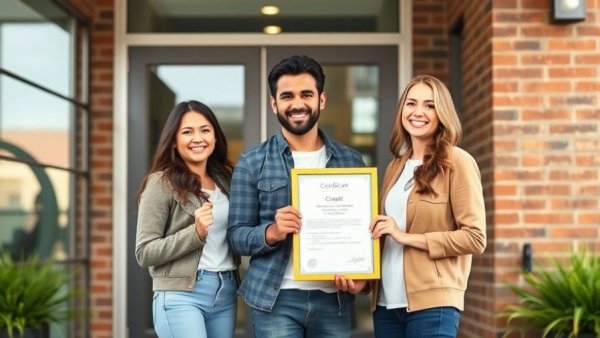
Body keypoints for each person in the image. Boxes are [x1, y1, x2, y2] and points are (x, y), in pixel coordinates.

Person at [226, 55, 365, 337]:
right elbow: (236, 236)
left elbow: (364, 230)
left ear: (321, 100)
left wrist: (363, 276)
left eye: (306, 94)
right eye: (287, 96)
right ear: (274, 103)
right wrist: (273, 232)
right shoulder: (252, 162)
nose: (297, 104)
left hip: (333, 298)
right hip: (275, 299)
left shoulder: (351, 161)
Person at [340, 75, 487, 337]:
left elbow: (475, 238)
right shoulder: (395, 167)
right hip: (386, 305)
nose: (418, 112)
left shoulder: (458, 162)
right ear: (402, 111)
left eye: (429, 105)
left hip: (433, 305)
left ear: (442, 113)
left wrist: (406, 236)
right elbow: (382, 235)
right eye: (411, 103)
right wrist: (364, 283)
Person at [135, 100, 240, 338]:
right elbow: (144, 252)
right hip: (181, 295)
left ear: (215, 137)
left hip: (225, 291)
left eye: (205, 130)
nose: (198, 138)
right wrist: (196, 233)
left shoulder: (225, 181)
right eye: (187, 132)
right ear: (174, 140)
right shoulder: (161, 183)